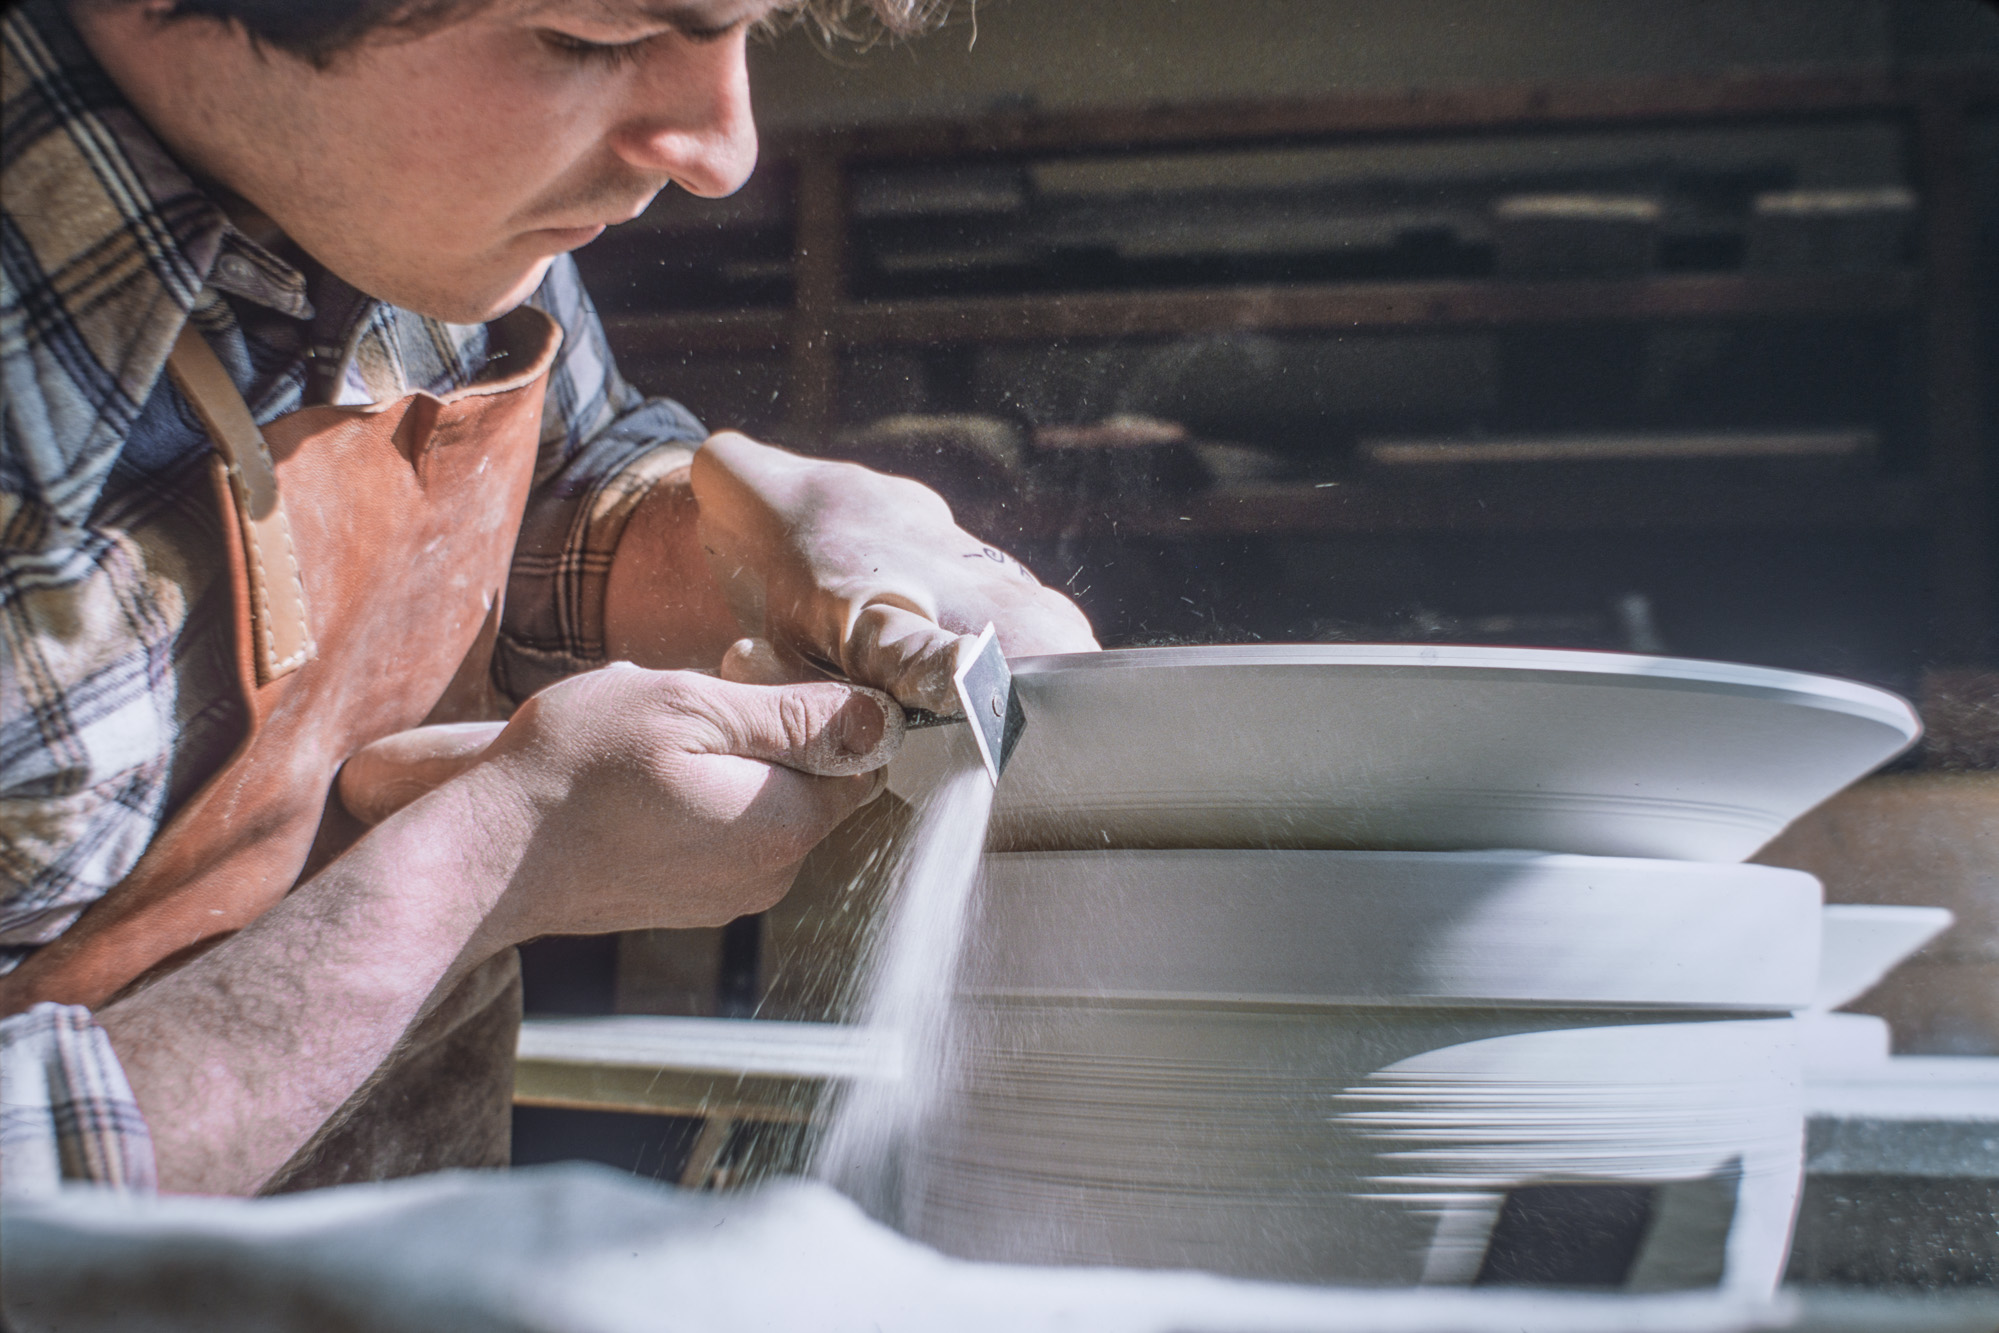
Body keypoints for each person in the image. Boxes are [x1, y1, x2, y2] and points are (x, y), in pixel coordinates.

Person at [0, 0, 1096, 1200]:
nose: (723, 153)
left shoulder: (400, 186)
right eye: (592, 40)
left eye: (743, 30)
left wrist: (736, 543)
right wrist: (482, 865)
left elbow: (542, 494)